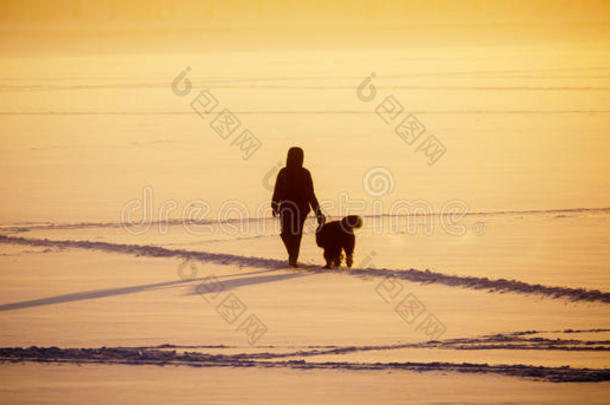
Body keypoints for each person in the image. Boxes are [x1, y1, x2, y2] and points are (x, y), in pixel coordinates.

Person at [272, 147, 325, 267]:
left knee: (296, 233)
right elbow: (278, 189)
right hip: (286, 207)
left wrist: (318, 212)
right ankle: (293, 253)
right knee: (286, 233)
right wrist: (274, 204)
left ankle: (293, 257)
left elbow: (311, 193)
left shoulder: (305, 173)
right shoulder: (283, 172)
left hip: (300, 208)